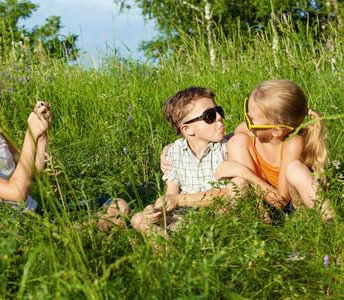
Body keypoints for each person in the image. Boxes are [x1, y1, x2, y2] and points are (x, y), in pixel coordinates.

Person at [0, 60, 128, 228]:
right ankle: (67, 235)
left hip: (37, 213)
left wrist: (41, 136)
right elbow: (16, 193)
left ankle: (74, 232)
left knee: (118, 204)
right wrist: (30, 135)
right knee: (115, 214)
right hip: (16, 226)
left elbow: (33, 174)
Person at [214, 79, 336, 221]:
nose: (246, 122)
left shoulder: (292, 144)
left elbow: (281, 201)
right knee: (237, 141)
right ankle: (257, 213)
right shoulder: (248, 131)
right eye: (247, 114)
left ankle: (331, 221)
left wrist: (241, 172)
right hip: (263, 199)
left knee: (295, 169)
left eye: (251, 119)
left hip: (292, 204)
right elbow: (236, 135)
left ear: (276, 131)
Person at [131, 87, 245, 236]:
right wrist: (156, 210)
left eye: (219, 111)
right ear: (188, 129)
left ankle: (210, 235)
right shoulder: (175, 152)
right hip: (185, 217)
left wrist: (179, 199)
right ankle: (166, 249)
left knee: (237, 191)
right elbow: (170, 195)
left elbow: (229, 193)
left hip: (220, 214)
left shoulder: (227, 146)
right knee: (138, 219)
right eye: (209, 115)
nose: (219, 117)